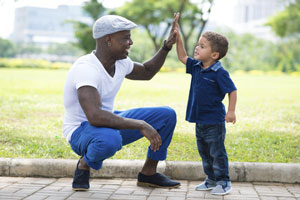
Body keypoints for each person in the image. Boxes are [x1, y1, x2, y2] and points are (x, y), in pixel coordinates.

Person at [63, 14, 181, 191]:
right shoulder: (86, 69)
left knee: (166, 115)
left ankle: (148, 173)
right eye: (126, 38)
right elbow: (94, 116)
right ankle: (84, 164)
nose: (131, 42)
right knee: (110, 140)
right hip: (81, 130)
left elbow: (147, 72)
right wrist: (140, 124)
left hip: (107, 121)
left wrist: (166, 46)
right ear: (108, 40)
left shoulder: (121, 63)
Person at [175, 13, 237, 195]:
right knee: (204, 152)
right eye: (198, 44)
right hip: (200, 120)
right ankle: (211, 180)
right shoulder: (196, 67)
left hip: (214, 122)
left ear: (214, 54)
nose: (197, 48)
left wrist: (231, 111)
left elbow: (232, 90)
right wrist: (178, 37)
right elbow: (182, 56)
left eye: (202, 46)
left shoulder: (219, 72)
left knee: (217, 153)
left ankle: (224, 182)